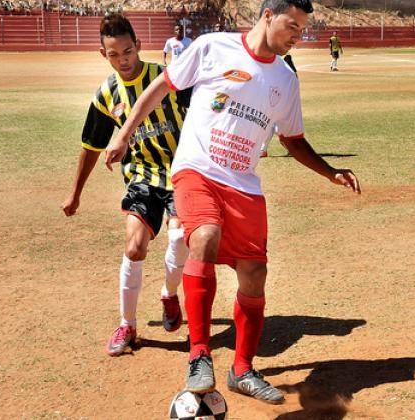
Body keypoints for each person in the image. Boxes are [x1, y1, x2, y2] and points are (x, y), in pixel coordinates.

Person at [104, 0, 360, 404]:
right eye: (292, 25)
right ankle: (199, 355)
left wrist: (331, 171)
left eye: (302, 28)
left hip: (244, 184)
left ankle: (242, 369)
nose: (298, 35)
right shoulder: (212, 47)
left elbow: (292, 141)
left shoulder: (286, 81)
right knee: (202, 236)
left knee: (254, 273)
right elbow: (161, 87)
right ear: (267, 16)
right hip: (197, 170)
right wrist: (123, 134)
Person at [61, 13, 190, 357]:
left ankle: (168, 293)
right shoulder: (107, 94)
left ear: (139, 46)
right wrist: (75, 193)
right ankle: (127, 324)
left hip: (181, 173)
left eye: (128, 51)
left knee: (179, 237)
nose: (124, 60)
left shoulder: (167, 79)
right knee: (134, 248)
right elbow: (91, 145)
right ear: (103, 54)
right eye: (115, 54)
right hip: (142, 176)